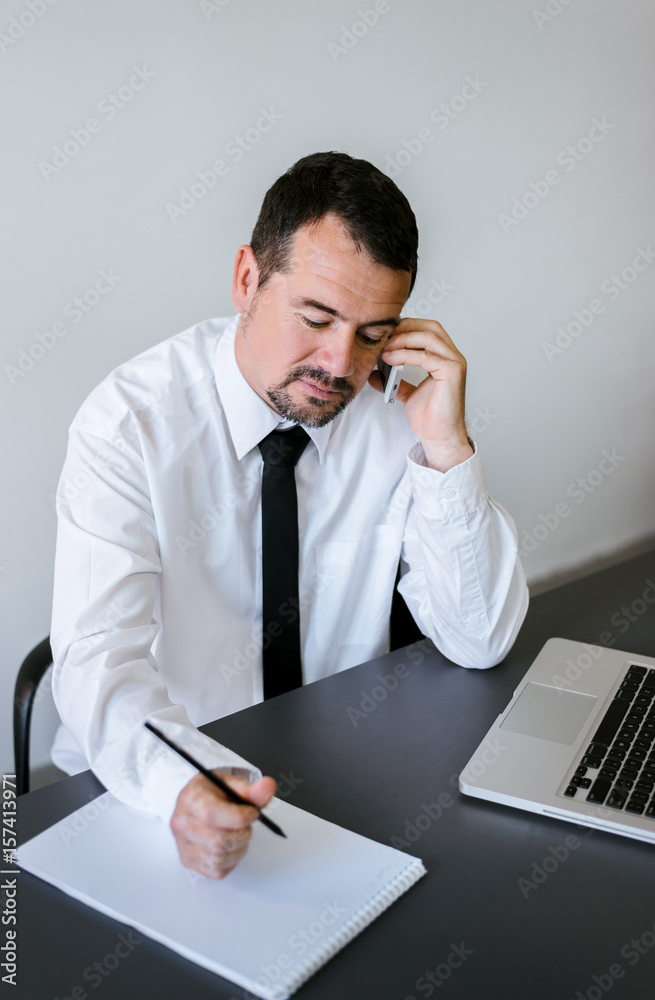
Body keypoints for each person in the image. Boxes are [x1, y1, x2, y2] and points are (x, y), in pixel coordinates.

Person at [50, 151, 528, 879]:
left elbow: (481, 639)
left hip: (340, 777)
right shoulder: (129, 425)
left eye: (373, 333)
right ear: (248, 279)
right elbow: (97, 661)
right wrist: (183, 783)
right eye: (317, 317)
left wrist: (445, 446)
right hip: (152, 780)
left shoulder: (392, 415)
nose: (340, 364)